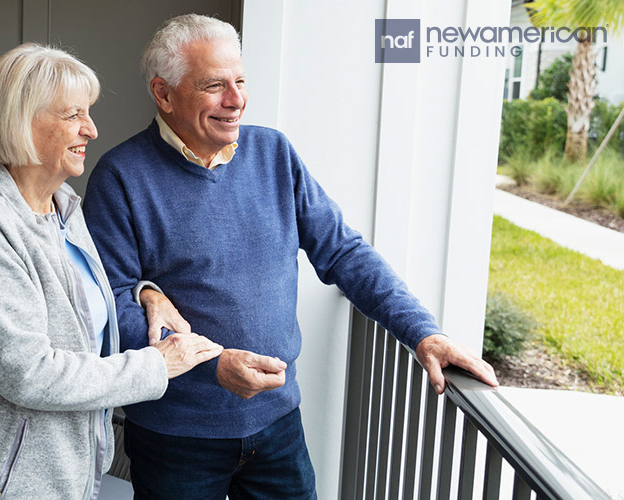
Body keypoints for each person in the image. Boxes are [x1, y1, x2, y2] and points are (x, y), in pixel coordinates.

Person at [82, 14, 499, 500]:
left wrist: (423, 332)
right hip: (177, 437)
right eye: (214, 85)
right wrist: (210, 364)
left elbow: (344, 253)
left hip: (278, 427)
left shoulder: (274, 153)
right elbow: (109, 306)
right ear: (164, 93)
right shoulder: (121, 177)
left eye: (240, 81)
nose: (235, 100)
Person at [0, 43, 224, 500]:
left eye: (89, 113)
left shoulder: (64, 208)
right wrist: (157, 364)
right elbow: (28, 373)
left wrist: (147, 294)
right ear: (20, 121)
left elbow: (78, 306)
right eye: (72, 115)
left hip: (64, 470)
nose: (92, 129)